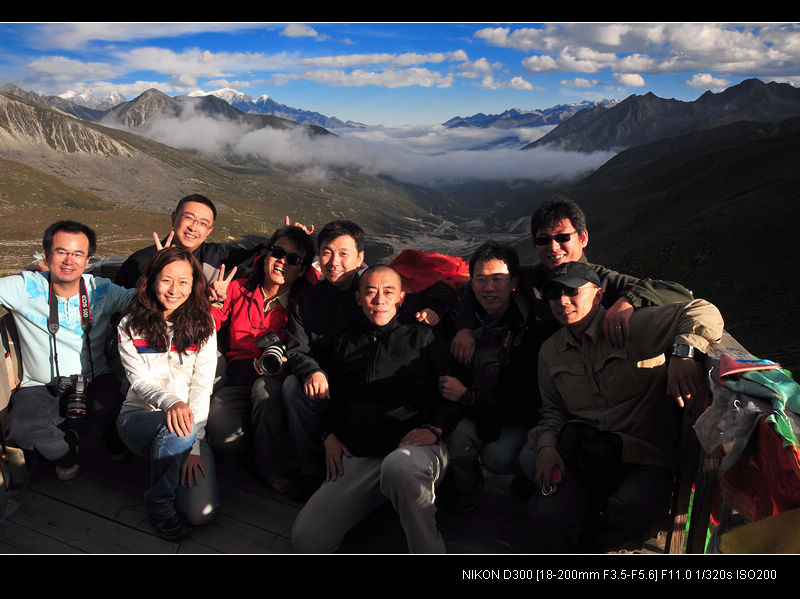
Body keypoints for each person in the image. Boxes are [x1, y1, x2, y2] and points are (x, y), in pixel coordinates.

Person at [528, 261, 724, 553]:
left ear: (597, 295)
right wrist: (546, 446)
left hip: (643, 456)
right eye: (554, 294)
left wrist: (684, 353)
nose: (562, 301)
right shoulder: (550, 351)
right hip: (588, 455)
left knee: (632, 508)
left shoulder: (631, 327)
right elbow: (552, 409)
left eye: (572, 291)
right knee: (547, 515)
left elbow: (703, 310)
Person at [291, 265, 461, 553]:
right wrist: (329, 434)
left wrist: (435, 429)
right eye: (370, 293)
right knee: (308, 540)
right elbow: (336, 399)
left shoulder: (425, 338)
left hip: (414, 451)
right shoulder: (345, 342)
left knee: (398, 469)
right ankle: (385, 505)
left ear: (401, 298)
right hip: (361, 455)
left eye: (388, 292)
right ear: (358, 299)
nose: (379, 300)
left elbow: (454, 396)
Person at [450, 196, 695, 364]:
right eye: (543, 240)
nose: (553, 247)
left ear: (583, 237)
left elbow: (678, 293)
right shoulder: (529, 278)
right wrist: (464, 328)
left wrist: (628, 300)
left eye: (562, 237)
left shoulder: (602, 280)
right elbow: (476, 289)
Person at [0, 220, 135, 480]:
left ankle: (109, 437)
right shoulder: (26, 287)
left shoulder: (101, 289)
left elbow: (146, 301)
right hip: (41, 384)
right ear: (46, 255)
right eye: (61, 252)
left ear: (88, 260)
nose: (69, 261)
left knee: (116, 409)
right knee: (21, 429)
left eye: (77, 254)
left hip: (95, 378)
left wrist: (164, 269)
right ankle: (67, 449)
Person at [116, 246, 219, 542]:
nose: (174, 290)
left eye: (183, 281)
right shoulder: (130, 325)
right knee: (177, 430)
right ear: (152, 280)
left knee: (201, 513)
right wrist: (171, 402)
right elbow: (139, 381)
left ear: (194, 284)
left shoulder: (204, 325)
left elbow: (202, 385)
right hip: (139, 418)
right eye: (166, 280)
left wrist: (194, 446)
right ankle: (158, 504)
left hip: (189, 427)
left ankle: (172, 457)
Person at [205, 225, 316, 491]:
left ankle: (266, 468)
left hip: (275, 383)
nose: (282, 262)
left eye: (293, 259)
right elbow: (207, 326)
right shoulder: (238, 289)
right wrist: (215, 302)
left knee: (265, 391)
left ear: (302, 270)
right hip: (238, 377)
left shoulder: (302, 305)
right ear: (266, 254)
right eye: (277, 252)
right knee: (221, 435)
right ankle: (249, 443)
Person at [438, 242, 542, 513]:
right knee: (459, 437)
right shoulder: (462, 316)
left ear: (514, 283)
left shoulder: (531, 326)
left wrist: (467, 396)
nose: (489, 288)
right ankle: (467, 494)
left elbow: (523, 399)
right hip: (477, 411)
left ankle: (532, 486)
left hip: (515, 417)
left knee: (503, 457)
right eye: (481, 280)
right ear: (471, 284)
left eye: (498, 279)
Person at [281, 219, 368, 500]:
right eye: (327, 253)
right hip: (323, 383)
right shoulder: (307, 299)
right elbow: (297, 349)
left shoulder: (371, 294)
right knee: (292, 387)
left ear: (360, 258)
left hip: (360, 385)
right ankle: (310, 471)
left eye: (343, 253)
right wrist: (311, 371)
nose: (334, 262)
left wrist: (432, 309)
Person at [114, 194, 267, 289]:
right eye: (188, 218)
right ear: (174, 218)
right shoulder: (141, 262)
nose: (193, 228)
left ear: (209, 231)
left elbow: (260, 254)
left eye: (203, 223)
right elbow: (122, 308)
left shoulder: (217, 257)